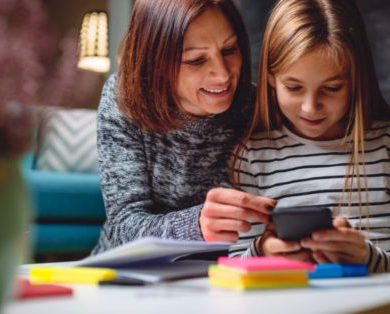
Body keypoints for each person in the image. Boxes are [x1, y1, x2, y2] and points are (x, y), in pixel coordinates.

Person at [229, 0, 390, 273]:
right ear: (270, 77)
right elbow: (232, 270)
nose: (310, 107)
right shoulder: (252, 155)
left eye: (332, 88)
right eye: (293, 87)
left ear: (355, 80)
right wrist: (263, 251)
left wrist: (366, 256)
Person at [92, 0, 275, 255]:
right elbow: (124, 225)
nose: (222, 74)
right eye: (196, 60)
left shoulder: (259, 107)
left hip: (226, 274)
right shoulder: (124, 99)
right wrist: (197, 225)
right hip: (129, 269)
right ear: (155, 62)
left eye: (229, 49)